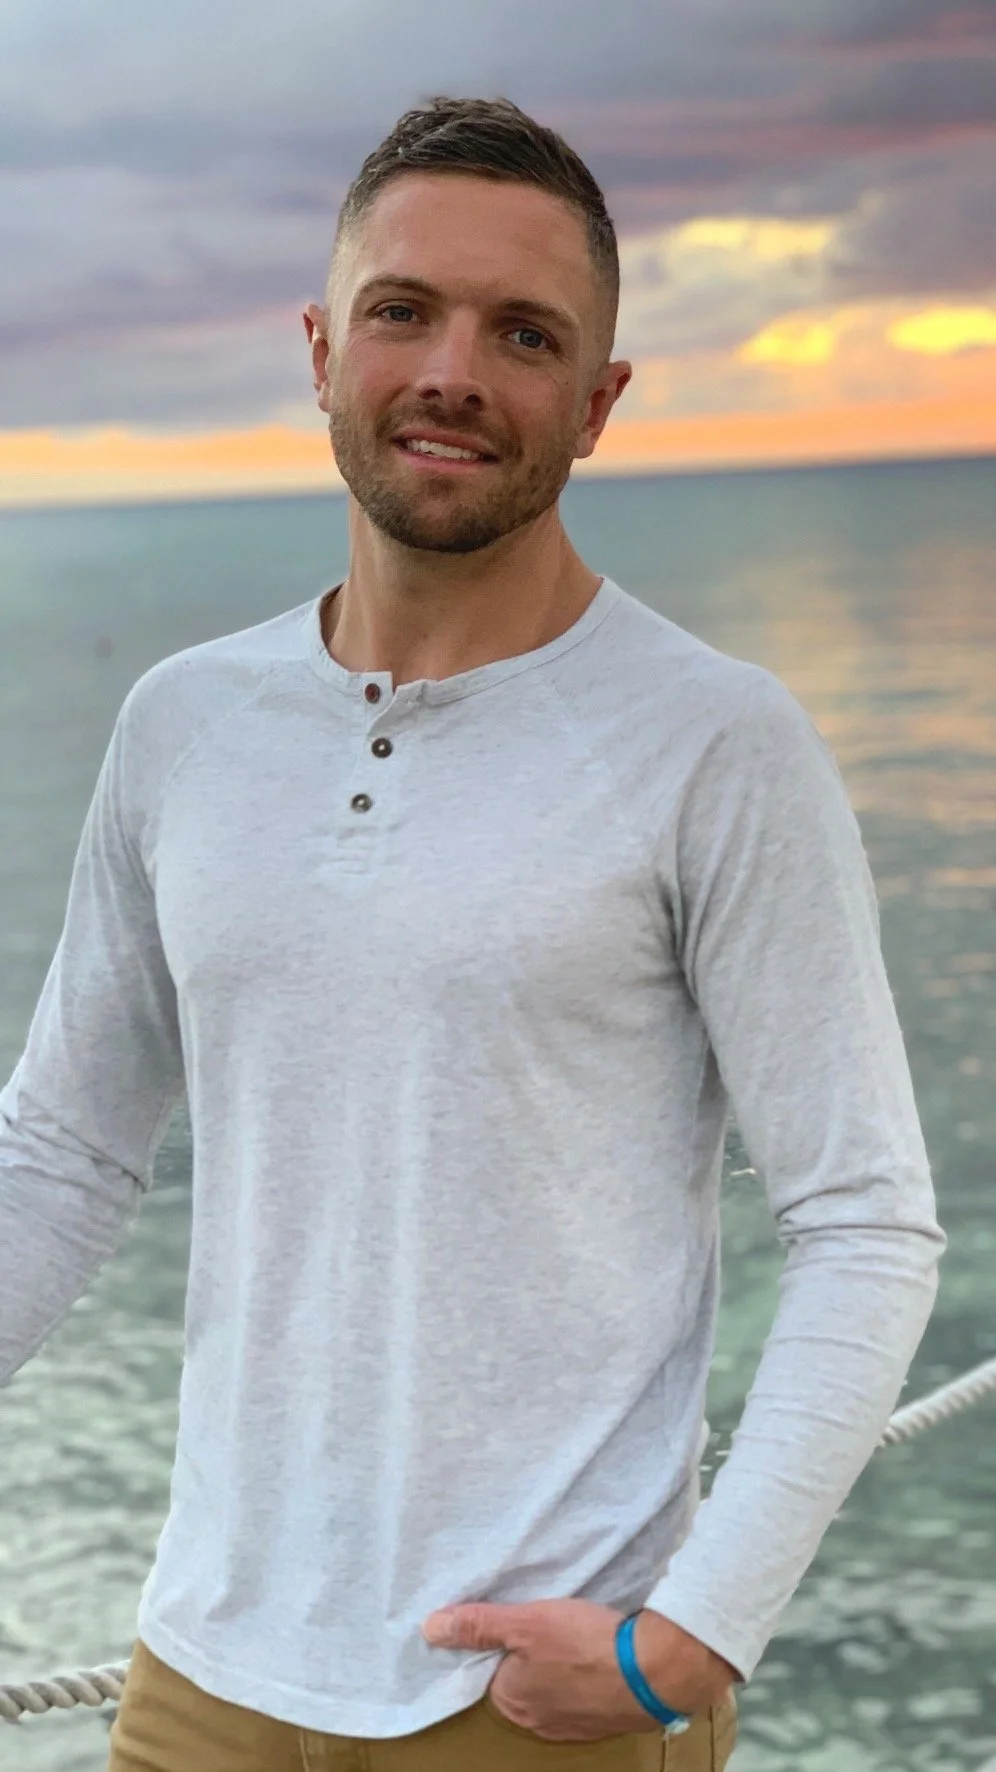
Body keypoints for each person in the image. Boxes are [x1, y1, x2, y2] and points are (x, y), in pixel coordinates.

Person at [0, 95, 945, 1772]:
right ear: (321, 351)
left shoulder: (715, 742)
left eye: (524, 334)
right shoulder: (182, 723)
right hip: (201, 1674)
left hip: (527, 1701)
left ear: (598, 402)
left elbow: (865, 1219)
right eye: (402, 311)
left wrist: (688, 1639)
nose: (452, 372)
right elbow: (63, 1152)